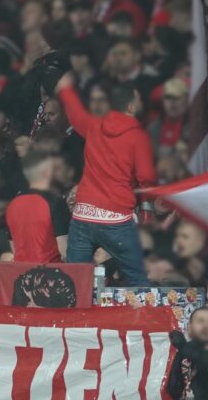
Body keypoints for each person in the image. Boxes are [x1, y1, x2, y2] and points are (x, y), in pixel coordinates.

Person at [54, 73, 154, 284]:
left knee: (74, 282)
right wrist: (147, 204)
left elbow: (76, 116)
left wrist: (65, 89)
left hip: (83, 215)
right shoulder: (138, 136)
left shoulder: (94, 126)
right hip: (116, 219)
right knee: (137, 278)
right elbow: (146, 177)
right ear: (131, 106)